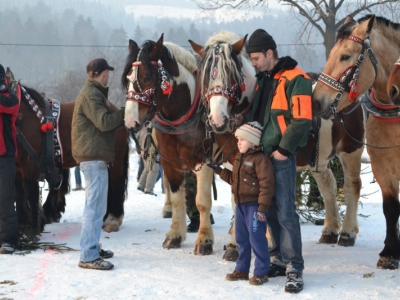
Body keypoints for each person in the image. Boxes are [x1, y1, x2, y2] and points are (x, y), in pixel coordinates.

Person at [246, 29, 312, 293]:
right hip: (261, 158)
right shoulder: (264, 81)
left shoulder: (297, 79)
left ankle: (295, 266)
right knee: (269, 209)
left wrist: (283, 150)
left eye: (256, 57)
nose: (253, 63)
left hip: (280, 157)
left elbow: (303, 120)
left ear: (269, 53)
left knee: (285, 212)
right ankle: (279, 258)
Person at [71, 58, 125, 270]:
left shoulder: (92, 93)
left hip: (94, 157)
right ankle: (88, 255)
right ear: (102, 73)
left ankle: (92, 246)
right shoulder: (92, 94)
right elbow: (104, 122)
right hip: (93, 159)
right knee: (94, 209)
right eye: (107, 73)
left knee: (95, 207)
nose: (108, 76)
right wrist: (125, 112)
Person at [210, 121, 275, 286]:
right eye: (237, 139)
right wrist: (218, 170)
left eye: (242, 140)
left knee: (257, 239)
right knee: (241, 238)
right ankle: (242, 270)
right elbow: (234, 180)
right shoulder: (239, 158)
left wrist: (262, 208)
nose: (238, 142)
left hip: (254, 207)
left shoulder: (261, 160)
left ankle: (261, 272)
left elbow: (267, 185)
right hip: (240, 206)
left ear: (252, 142)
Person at [0, 64, 20, 255]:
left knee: (5, 199)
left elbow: (7, 105)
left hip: (4, 157)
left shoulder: (10, 99)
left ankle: (8, 240)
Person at [137, 124, 159, 196]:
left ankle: (141, 185)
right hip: (151, 152)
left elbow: (139, 139)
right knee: (153, 170)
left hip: (144, 151)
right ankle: (149, 189)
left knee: (147, 168)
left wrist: (140, 150)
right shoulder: (153, 127)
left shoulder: (144, 127)